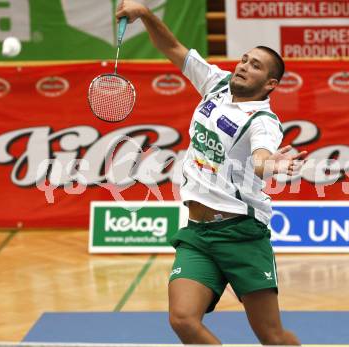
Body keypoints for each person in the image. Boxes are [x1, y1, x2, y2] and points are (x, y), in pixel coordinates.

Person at [116, 1, 307, 345]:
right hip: (198, 234)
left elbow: (262, 157)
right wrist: (144, 13)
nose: (244, 66)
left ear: (270, 83)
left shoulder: (262, 121)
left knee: (272, 336)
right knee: (183, 320)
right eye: (245, 59)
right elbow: (172, 48)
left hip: (241, 234)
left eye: (256, 66)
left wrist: (271, 164)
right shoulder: (216, 84)